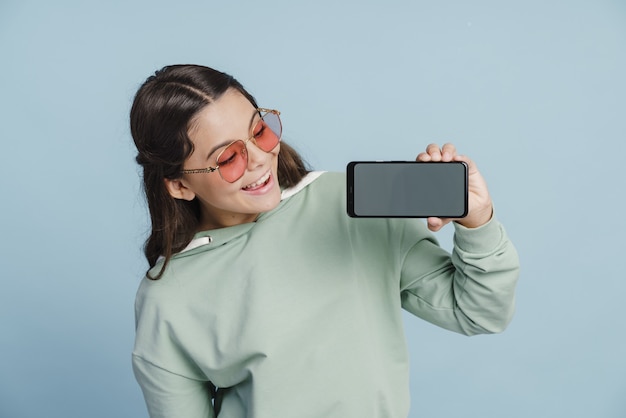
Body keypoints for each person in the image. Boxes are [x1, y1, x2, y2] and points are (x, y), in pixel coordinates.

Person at [130, 64, 520, 418]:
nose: (259, 159)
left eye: (259, 131)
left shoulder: (345, 204)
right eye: (229, 156)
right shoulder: (169, 297)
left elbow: (480, 311)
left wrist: (476, 220)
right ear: (180, 185)